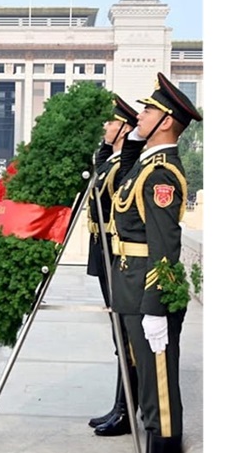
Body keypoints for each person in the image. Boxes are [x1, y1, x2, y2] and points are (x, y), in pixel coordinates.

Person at [109, 72, 202, 453]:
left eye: (148, 110)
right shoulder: (146, 165)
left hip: (147, 287)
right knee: (147, 380)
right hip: (131, 284)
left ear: (166, 121)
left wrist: (156, 306)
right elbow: (119, 177)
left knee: (159, 385)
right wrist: (131, 140)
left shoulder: (161, 174)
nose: (140, 115)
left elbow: (166, 246)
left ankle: (165, 447)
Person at [86, 95, 145, 436]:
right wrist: (104, 147)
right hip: (103, 250)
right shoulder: (111, 159)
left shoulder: (126, 162)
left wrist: (116, 148)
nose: (106, 126)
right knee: (117, 334)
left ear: (123, 127)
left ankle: (126, 412)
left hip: (115, 251)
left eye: (111, 122)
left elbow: (109, 191)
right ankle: (118, 406)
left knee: (125, 336)